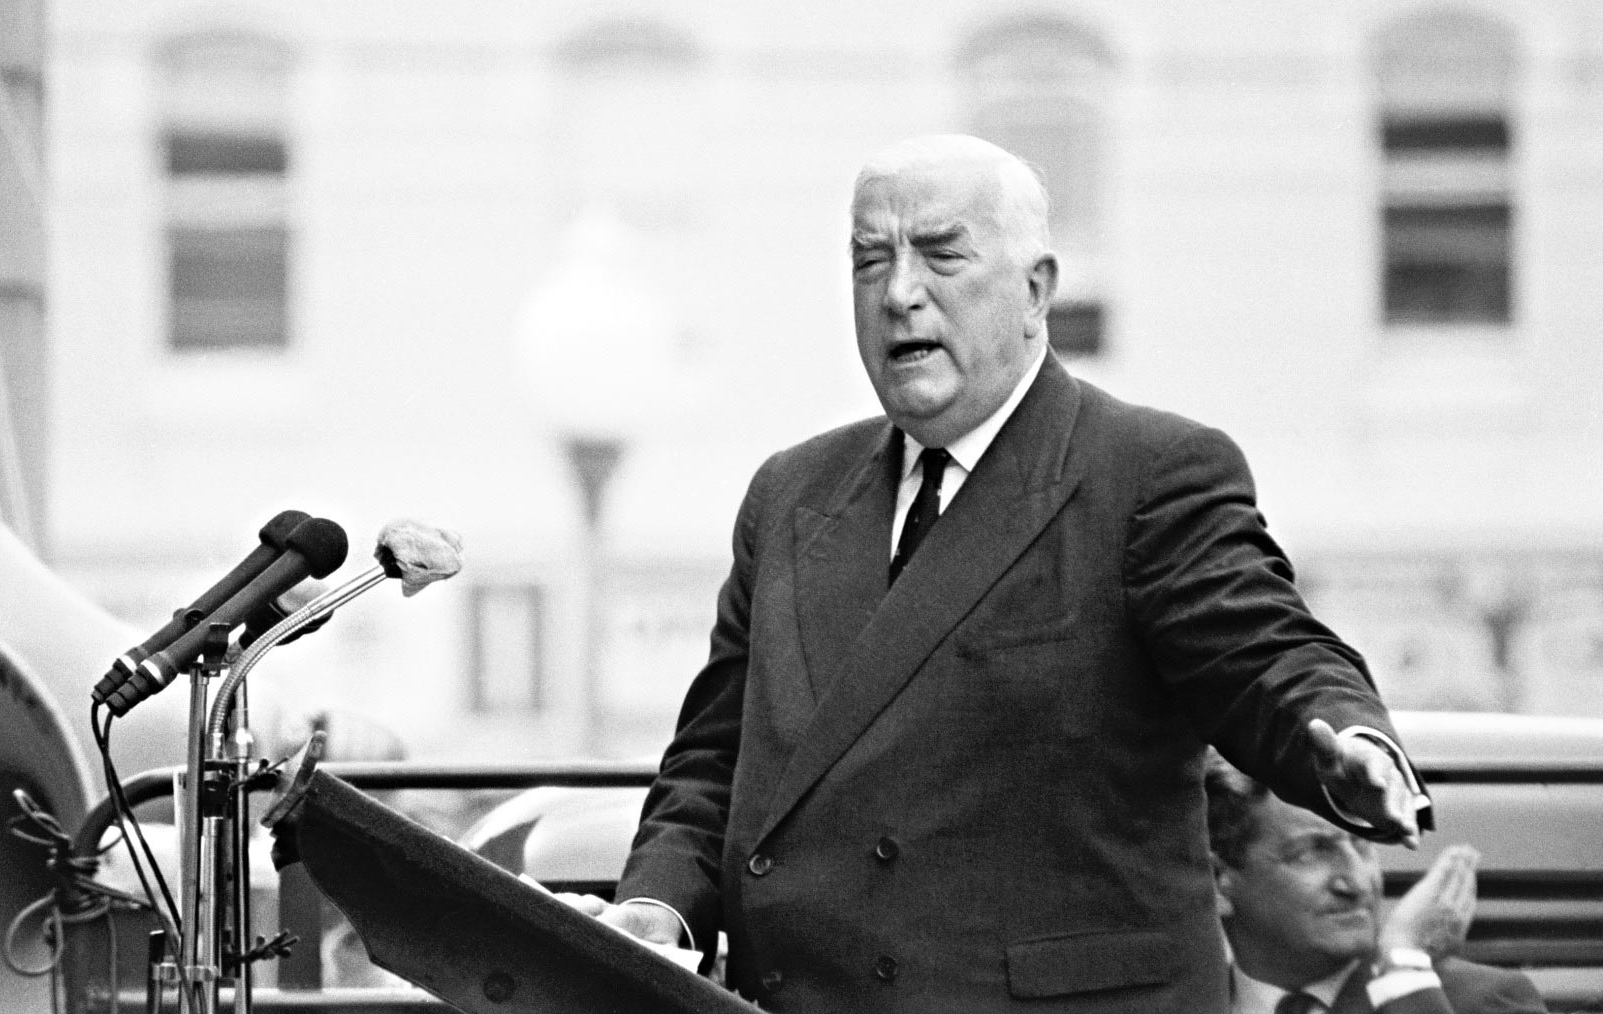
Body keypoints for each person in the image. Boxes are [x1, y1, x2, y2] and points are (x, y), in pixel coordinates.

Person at [566, 134, 1431, 1011]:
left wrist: (1347, 739)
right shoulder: (792, 494)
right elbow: (715, 760)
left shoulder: (1148, 471)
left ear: (1036, 290)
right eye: (870, 261)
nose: (900, 292)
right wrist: (655, 908)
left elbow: (1261, 651)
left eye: (943, 255)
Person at [1206, 758, 1544, 1013]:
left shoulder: (1485, 1001)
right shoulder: (1178, 1004)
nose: (1356, 883)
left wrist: (1404, 975)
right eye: (1312, 852)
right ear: (1219, 881)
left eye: (1363, 845)